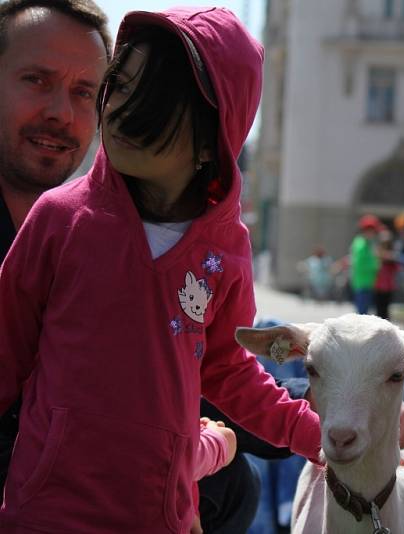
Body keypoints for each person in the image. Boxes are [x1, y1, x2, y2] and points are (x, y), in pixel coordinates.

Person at [0, 8, 323, 532]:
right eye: (121, 87)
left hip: (162, 514)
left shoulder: (226, 250)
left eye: (155, 100)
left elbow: (228, 368)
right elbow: (6, 354)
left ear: (210, 140)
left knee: (239, 484)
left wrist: (320, 435)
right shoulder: (60, 219)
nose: (124, 111)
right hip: (48, 510)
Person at [0, 0, 111, 495]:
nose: (60, 114)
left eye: (83, 92)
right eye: (36, 80)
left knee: (232, 483)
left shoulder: (100, 238)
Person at [350, 213, 382, 314]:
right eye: (370, 230)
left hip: (368, 282)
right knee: (362, 313)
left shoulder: (368, 243)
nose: (372, 233)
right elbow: (358, 263)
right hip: (362, 282)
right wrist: (375, 266)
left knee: (365, 311)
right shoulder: (361, 244)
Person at [374, 229, 401, 320]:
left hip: (388, 287)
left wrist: (390, 258)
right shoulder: (376, 253)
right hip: (378, 286)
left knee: (386, 310)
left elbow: (397, 268)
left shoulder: (392, 256)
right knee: (379, 310)